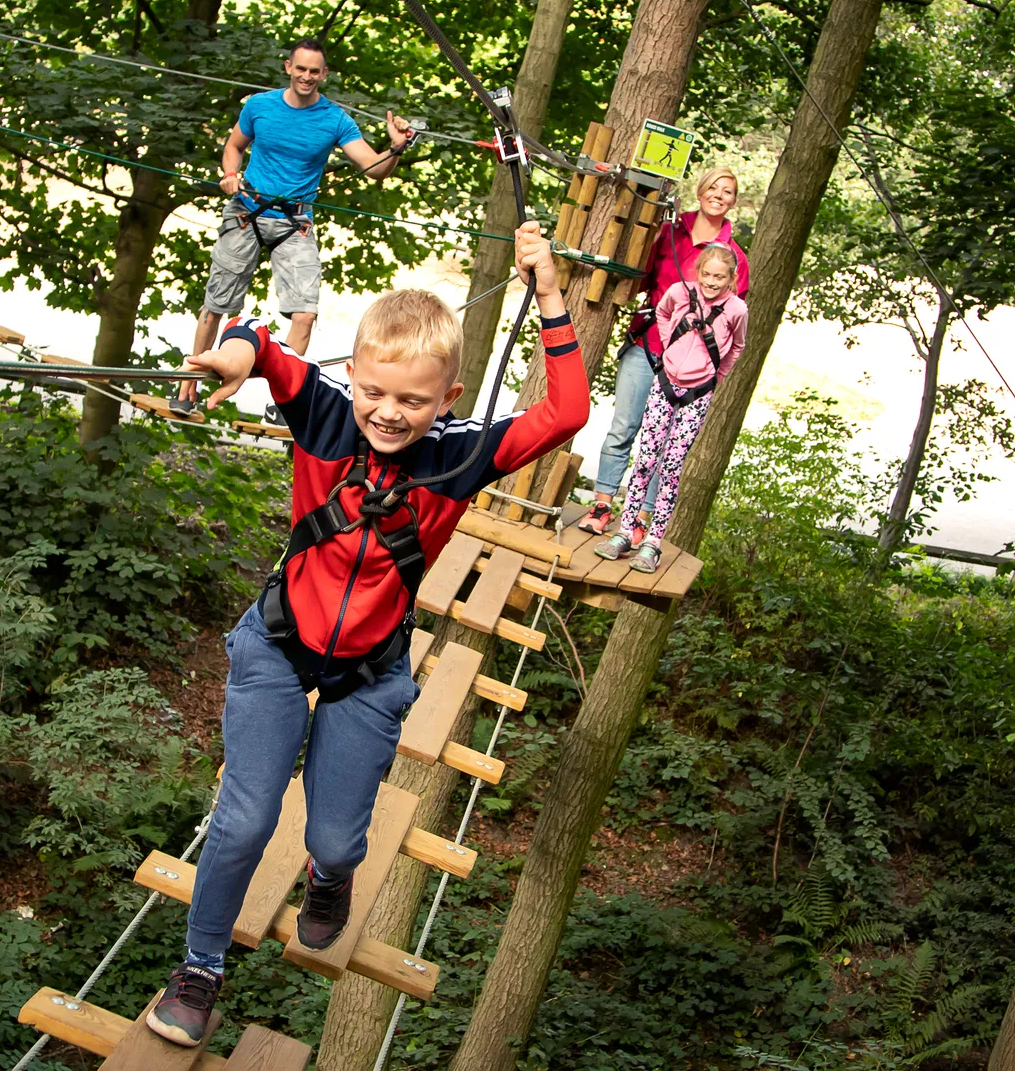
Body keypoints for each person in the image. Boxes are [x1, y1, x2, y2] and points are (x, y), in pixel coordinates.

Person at [144, 222, 588, 1047]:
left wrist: (552, 292)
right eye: (374, 392)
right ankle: (201, 966)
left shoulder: (462, 454)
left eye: (413, 400)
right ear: (352, 376)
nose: (388, 413)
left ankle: (328, 877)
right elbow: (258, 343)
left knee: (337, 836)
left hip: (369, 669)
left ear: (447, 399)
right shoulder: (322, 412)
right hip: (278, 645)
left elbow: (567, 410)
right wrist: (235, 361)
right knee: (242, 820)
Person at [170, 37, 415, 413]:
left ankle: (283, 401)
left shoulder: (334, 119)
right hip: (246, 210)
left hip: (294, 221)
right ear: (288, 68)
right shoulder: (259, 107)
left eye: (314, 71)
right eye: (300, 69)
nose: (307, 77)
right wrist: (230, 173)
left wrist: (395, 147)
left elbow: (375, 169)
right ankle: (188, 387)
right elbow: (234, 145)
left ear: (324, 74)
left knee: (305, 313)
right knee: (215, 306)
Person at [577, 167, 750, 538]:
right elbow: (640, 276)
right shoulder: (670, 232)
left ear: (733, 201)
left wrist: (713, 371)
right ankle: (603, 504)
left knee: (666, 445)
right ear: (701, 192)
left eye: (728, 191)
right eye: (713, 188)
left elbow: (732, 322)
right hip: (649, 344)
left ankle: (639, 520)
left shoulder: (733, 257)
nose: (719, 195)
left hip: (692, 366)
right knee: (624, 426)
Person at [591, 244, 747, 573]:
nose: (712, 282)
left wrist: (717, 375)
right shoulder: (679, 292)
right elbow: (661, 313)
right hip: (666, 384)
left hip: (698, 392)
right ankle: (623, 532)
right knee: (646, 458)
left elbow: (738, 345)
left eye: (720, 277)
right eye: (706, 274)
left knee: (671, 466)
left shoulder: (736, 310)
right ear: (698, 272)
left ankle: (652, 542)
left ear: (731, 278)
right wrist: (668, 346)